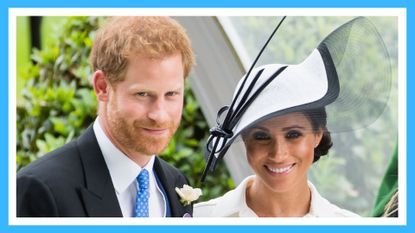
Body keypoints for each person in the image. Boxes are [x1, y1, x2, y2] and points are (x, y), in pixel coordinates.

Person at [195, 17, 391, 217]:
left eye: (293, 134)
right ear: (244, 138)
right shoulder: (198, 219)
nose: (278, 154)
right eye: (262, 137)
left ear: (317, 135)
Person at [17, 16, 195, 217]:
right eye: (143, 94)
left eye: (171, 94)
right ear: (102, 87)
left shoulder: (176, 183)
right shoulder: (42, 190)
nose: (159, 115)